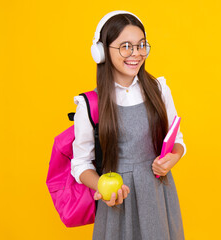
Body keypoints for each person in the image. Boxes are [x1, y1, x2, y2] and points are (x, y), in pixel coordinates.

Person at [71, 10, 186, 240]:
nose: (136, 53)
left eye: (141, 45)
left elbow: (178, 141)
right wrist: (103, 187)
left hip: (157, 195)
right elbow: (81, 163)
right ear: (102, 52)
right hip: (117, 201)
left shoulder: (159, 90)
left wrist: (174, 157)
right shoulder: (90, 104)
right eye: (126, 46)